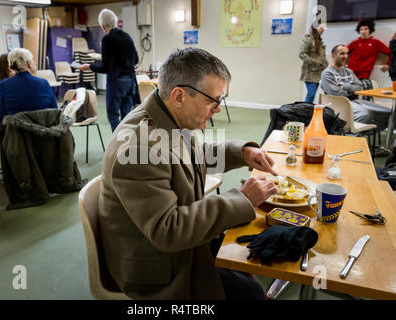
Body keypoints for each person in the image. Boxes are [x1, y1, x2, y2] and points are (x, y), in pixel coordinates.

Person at [98, 47, 279, 299]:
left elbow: (193, 156)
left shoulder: (168, 117)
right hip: (157, 267)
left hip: (180, 246)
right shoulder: (137, 148)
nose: (217, 109)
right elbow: (169, 230)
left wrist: (243, 152)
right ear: (179, 96)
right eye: (212, 100)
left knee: (251, 254)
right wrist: (242, 198)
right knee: (250, 292)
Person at [0, 48, 58, 161]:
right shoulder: (43, 83)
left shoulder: (4, 85)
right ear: (29, 63)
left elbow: (1, 115)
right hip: (43, 135)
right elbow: (54, 111)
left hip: (18, 138)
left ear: (11, 66)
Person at [80, 9, 140, 132]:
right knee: (127, 116)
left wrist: (90, 67)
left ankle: (117, 144)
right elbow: (136, 59)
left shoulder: (107, 39)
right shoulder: (127, 36)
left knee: (113, 115)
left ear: (103, 26)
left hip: (117, 81)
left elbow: (106, 67)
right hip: (130, 81)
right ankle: (127, 144)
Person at [320, 44, 390, 133]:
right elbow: (336, 94)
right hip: (339, 104)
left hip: (355, 101)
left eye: (346, 54)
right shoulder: (327, 73)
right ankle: (352, 136)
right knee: (365, 113)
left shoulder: (348, 71)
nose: (345, 56)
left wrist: (345, 86)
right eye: (342, 54)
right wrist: (353, 91)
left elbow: (360, 87)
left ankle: (364, 133)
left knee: (388, 112)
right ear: (333, 55)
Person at [347, 19, 391, 89]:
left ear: (370, 30)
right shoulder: (354, 43)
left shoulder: (376, 43)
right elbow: (341, 53)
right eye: (361, 29)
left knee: (363, 94)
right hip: (350, 75)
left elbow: (391, 53)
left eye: (365, 29)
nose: (363, 31)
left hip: (364, 76)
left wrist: (388, 64)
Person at [299, 24, 328, 103]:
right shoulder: (308, 39)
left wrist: (327, 66)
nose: (322, 30)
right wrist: (314, 62)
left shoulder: (320, 41)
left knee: (327, 92)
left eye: (323, 28)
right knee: (311, 94)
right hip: (310, 72)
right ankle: (304, 111)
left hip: (321, 72)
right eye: (320, 28)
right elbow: (302, 54)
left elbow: (322, 57)